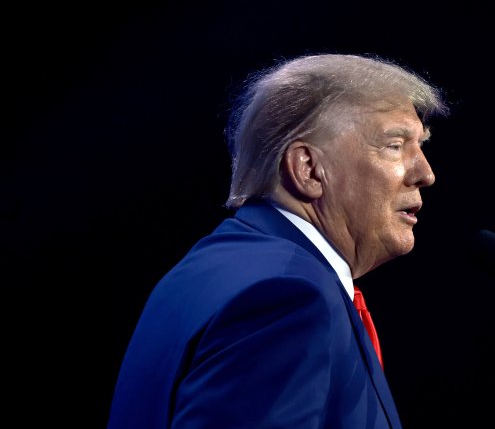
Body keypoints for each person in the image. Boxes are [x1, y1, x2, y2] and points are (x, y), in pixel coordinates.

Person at [107, 53, 448, 428]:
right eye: (395, 145)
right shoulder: (288, 297)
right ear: (308, 169)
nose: (425, 173)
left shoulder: (212, 266)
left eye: (421, 145)